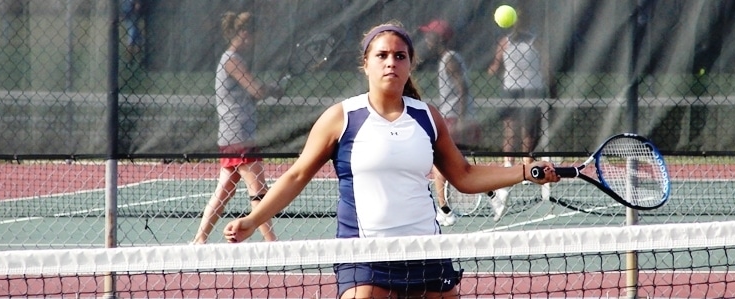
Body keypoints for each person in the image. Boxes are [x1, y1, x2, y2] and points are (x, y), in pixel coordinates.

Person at [223, 21, 560, 298]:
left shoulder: (427, 116)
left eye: (400, 56)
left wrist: (524, 172)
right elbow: (296, 176)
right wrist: (253, 220)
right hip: (365, 255)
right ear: (366, 63)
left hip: (425, 250)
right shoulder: (342, 117)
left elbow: (464, 176)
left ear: (410, 64)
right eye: (382, 55)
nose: (391, 62)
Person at [191, 11, 281, 245]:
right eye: (256, 36)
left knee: (225, 190)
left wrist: (271, 88)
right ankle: (272, 243)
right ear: (244, 33)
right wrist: (272, 89)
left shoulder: (232, 59)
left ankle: (199, 240)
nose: (257, 42)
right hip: (238, 135)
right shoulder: (232, 60)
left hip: (234, 133)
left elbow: (252, 91)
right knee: (258, 189)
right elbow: (256, 90)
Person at [419, 19, 510, 224]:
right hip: (453, 117)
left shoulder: (449, 59)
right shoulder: (448, 59)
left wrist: (460, 121)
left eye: (429, 35)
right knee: (457, 166)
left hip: (454, 119)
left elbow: (463, 89)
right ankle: (493, 194)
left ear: (439, 38)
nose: (426, 39)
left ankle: (445, 211)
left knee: (440, 162)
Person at [487, 9, 557, 169]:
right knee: (510, 128)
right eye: (517, 19)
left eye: (522, 19)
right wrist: (492, 69)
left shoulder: (535, 41)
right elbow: (495, 67)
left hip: (532, 89)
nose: (519, 23)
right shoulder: (505, 42)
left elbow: (546, 67)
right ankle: (508, 163)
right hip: (511, 89)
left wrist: (552, 86)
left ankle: (527, 163)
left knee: (528, 129)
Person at [120, 0, 144, 64]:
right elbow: (127, 9)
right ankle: (130, 59)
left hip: (133, 18)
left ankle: (137, 59)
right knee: (132, 37)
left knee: (138, 38)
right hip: (130, 18)